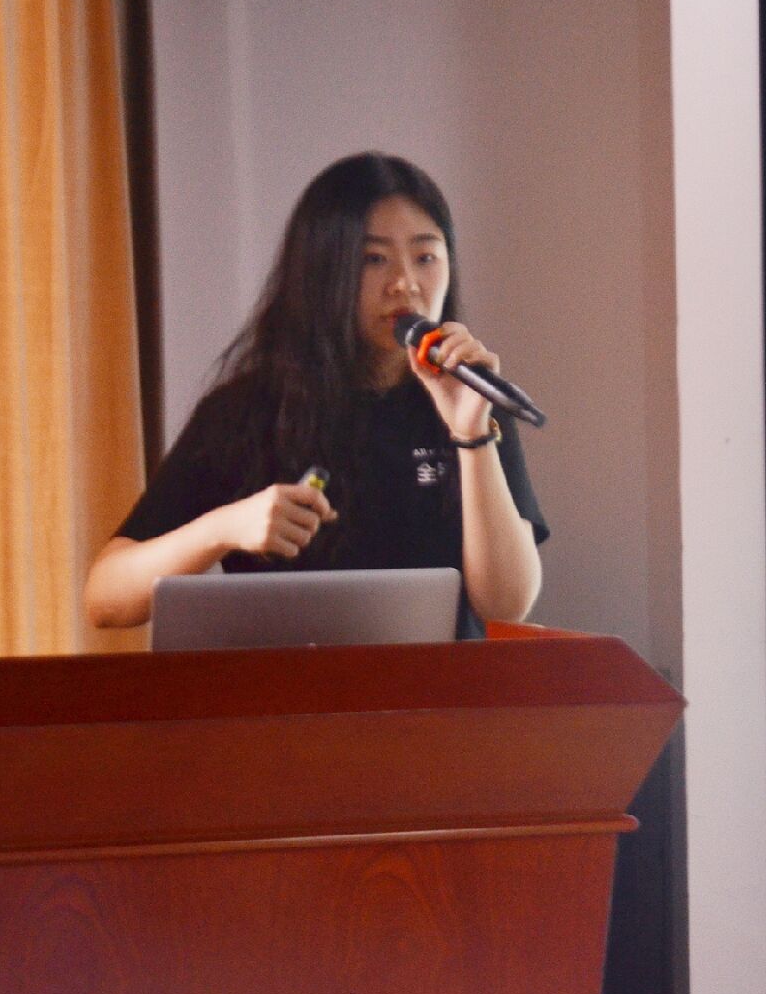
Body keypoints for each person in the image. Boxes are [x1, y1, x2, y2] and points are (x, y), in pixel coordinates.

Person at [84, 152, 546, 635]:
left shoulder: (471, 399)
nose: (405, 284)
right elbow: (105, 599)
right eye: (373, 259)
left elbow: (505, 604)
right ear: (323, 270)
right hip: (292, 684)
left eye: (426, 257)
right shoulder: (245, 411)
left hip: (442, 683)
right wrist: (221, 530)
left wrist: (471, 432)